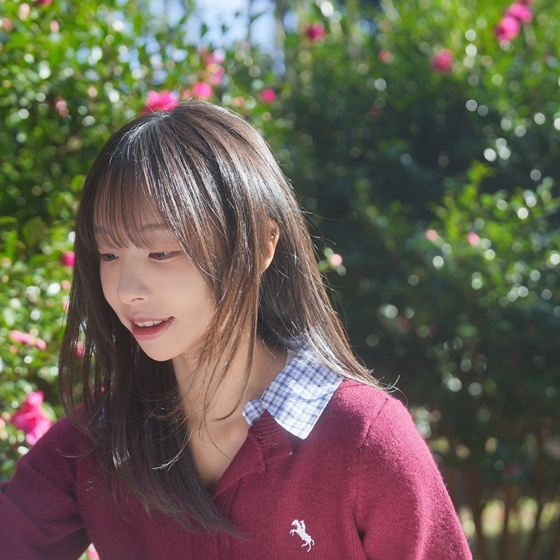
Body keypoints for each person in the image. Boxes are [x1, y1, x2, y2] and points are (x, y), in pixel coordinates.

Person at [0, 101, 472, 559]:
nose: (127, 290)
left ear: (263, 243)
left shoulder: (364, 440)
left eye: (161, 252)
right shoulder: (98, 440)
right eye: (109, 254)